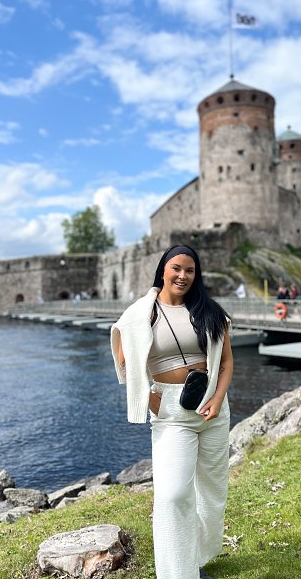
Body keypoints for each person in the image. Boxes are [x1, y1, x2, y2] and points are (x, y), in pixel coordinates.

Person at [110, 245, 233, 579]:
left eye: (190, 270)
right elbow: (123, 360)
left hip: (212, 409)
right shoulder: (142, 314)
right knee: (173, 494)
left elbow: (226, 362)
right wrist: (148, 395)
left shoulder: (209, 311)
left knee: (212, 492)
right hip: (171, 413)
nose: (183, 276)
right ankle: (177, 573)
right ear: (163, 270)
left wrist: (218, 398)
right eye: (176, 268)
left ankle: (196, 559)